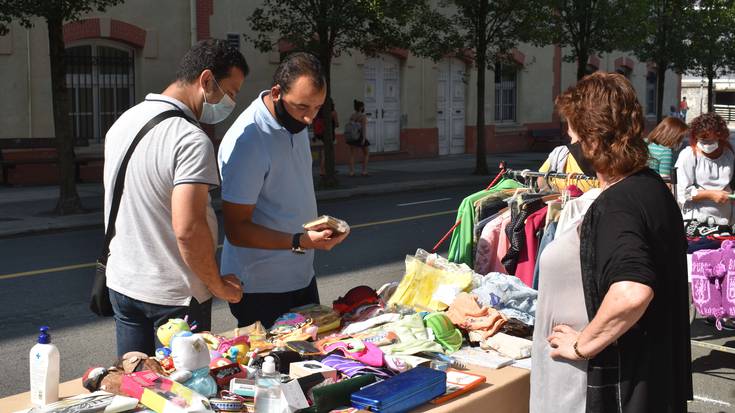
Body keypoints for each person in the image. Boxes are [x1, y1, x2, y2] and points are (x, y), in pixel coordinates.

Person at [533, 72, 692, 412]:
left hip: (601, 385)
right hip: (647, 379)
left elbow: (632, 291)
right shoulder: (649, 187)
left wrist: (582, 345)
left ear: (591, 136)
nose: (570, 138)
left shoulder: (618, 204)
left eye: (572, 129)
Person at [103, 39, 246, 356]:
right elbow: (189, 228)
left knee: (136, 390)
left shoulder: (123, 122)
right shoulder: (190, 139)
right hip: (175, 297)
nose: (231, 102)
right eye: (231, 92)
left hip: (123, 283)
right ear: (206, 81)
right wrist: (217, 284)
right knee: (183, 396)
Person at [218, 52, 349, 328]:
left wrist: (319, 229)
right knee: (273, 367)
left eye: (317, 108)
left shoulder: (294, 122)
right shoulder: (249, 140)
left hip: (301, 277)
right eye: (303, 107)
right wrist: (299, 241)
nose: (309, 119)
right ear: (276, 92)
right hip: (260, 287)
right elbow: (236, 228)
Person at [675, 112, 735, 224]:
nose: (707, 144)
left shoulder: (728, 154)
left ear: (720, 136)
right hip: (697, 219)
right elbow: (681, 193)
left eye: (711, 140)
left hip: (725, 218)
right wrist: (711, 194)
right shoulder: (688, 156)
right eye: (702, 140)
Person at [646, 116, 688, 181]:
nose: (682, 142)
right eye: (681, 139)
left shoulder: (647, 143)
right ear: (673, 136)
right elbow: (666, 180)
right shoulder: (666, 152)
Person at [312, 97, 339, 176]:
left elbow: (314, 123)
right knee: (328, 153)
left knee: (323, 152)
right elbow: (337, 124)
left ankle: (322, 170)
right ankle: (325, 170)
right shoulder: (333, 112)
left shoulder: (319, 112)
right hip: (329, 134)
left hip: (320, 134)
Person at [347, 100, 369, 176]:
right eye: (363, 106)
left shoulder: (352, 116)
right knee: (366, 153)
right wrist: (363, 139)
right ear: (361, 107)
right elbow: (364, 128)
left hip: (353, 136)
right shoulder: (363, 117)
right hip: (360, 136)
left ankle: (351, 172)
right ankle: (364, 171)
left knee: (352, 154)